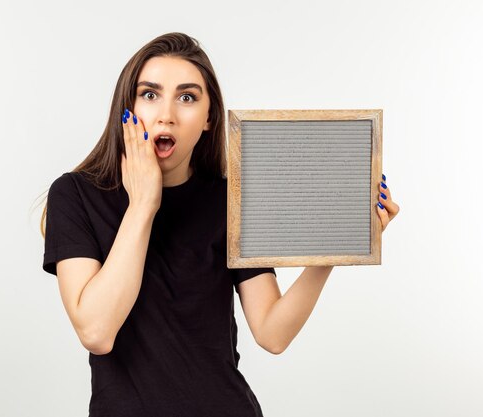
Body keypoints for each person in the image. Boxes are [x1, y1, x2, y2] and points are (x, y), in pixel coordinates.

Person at [39, 32, 400, 417]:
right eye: (149, 94)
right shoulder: (75, 195)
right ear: (127, 108)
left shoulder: (229, 201)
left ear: (209, 118)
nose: (167, 114)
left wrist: (336, 245)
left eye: (187, 97)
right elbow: (96, 332)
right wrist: (143, 203)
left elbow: (273, 333)